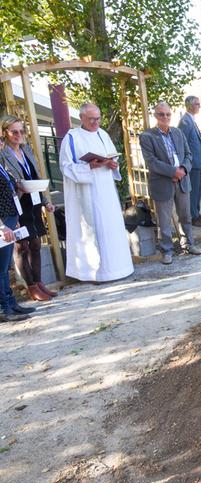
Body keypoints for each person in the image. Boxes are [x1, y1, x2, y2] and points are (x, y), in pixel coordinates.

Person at [58, 103, 134, 282]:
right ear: (82, 118)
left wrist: (112, 164)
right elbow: (65, 166)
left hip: (106, 190)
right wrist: (88, 166)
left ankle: (118, 268)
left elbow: (111, 155)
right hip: (86, 192)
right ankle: (93, 273)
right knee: (91, 228)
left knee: (110, 227)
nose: (95, 122)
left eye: (98, 118)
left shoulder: (103, 134)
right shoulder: (72, 137)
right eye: (91, 119)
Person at [0, 116, 57, 301]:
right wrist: (18, 185)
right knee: (22, 246)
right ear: (5, 133)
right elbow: (6, 184)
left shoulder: (26, 150)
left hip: (33, 201)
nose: (19, 135)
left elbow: (36, 176)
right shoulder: (3, 153)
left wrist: (45, 201)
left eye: (21, 131)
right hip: (17, 204)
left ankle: (39, 283)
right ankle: (31, 287)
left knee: (36, 244)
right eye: (14, 132)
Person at [140, 102, 201, 265]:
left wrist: (182, 169)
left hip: (182, 180)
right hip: (163, 183)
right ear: (155, 116)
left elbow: (189, 155)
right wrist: (172, 172)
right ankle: (167, 251)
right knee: (164, 220)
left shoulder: (178, 133)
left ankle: (188, 244)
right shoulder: (147, 136)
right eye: (161, 114)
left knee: (186, 216)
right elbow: (151, 162)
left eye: (168, 114)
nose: (165, 117)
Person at [0, 139, 35, 321]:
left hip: (10, 219)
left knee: (4, 268)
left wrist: (14, 221)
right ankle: (4, 308)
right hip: (3, 223)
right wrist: (2, 226)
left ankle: (11, 304)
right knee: (1, 268)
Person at [178, 95, 201, 227]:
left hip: (198, 162)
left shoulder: (191, 120)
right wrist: (186, 162)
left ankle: (196, 212)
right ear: (189, 105)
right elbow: (181, 142)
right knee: (194, 190)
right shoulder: (185, 121)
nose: (199, 106)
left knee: (199, 187)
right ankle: (193, 217)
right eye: (197, 104)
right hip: (193, 163)